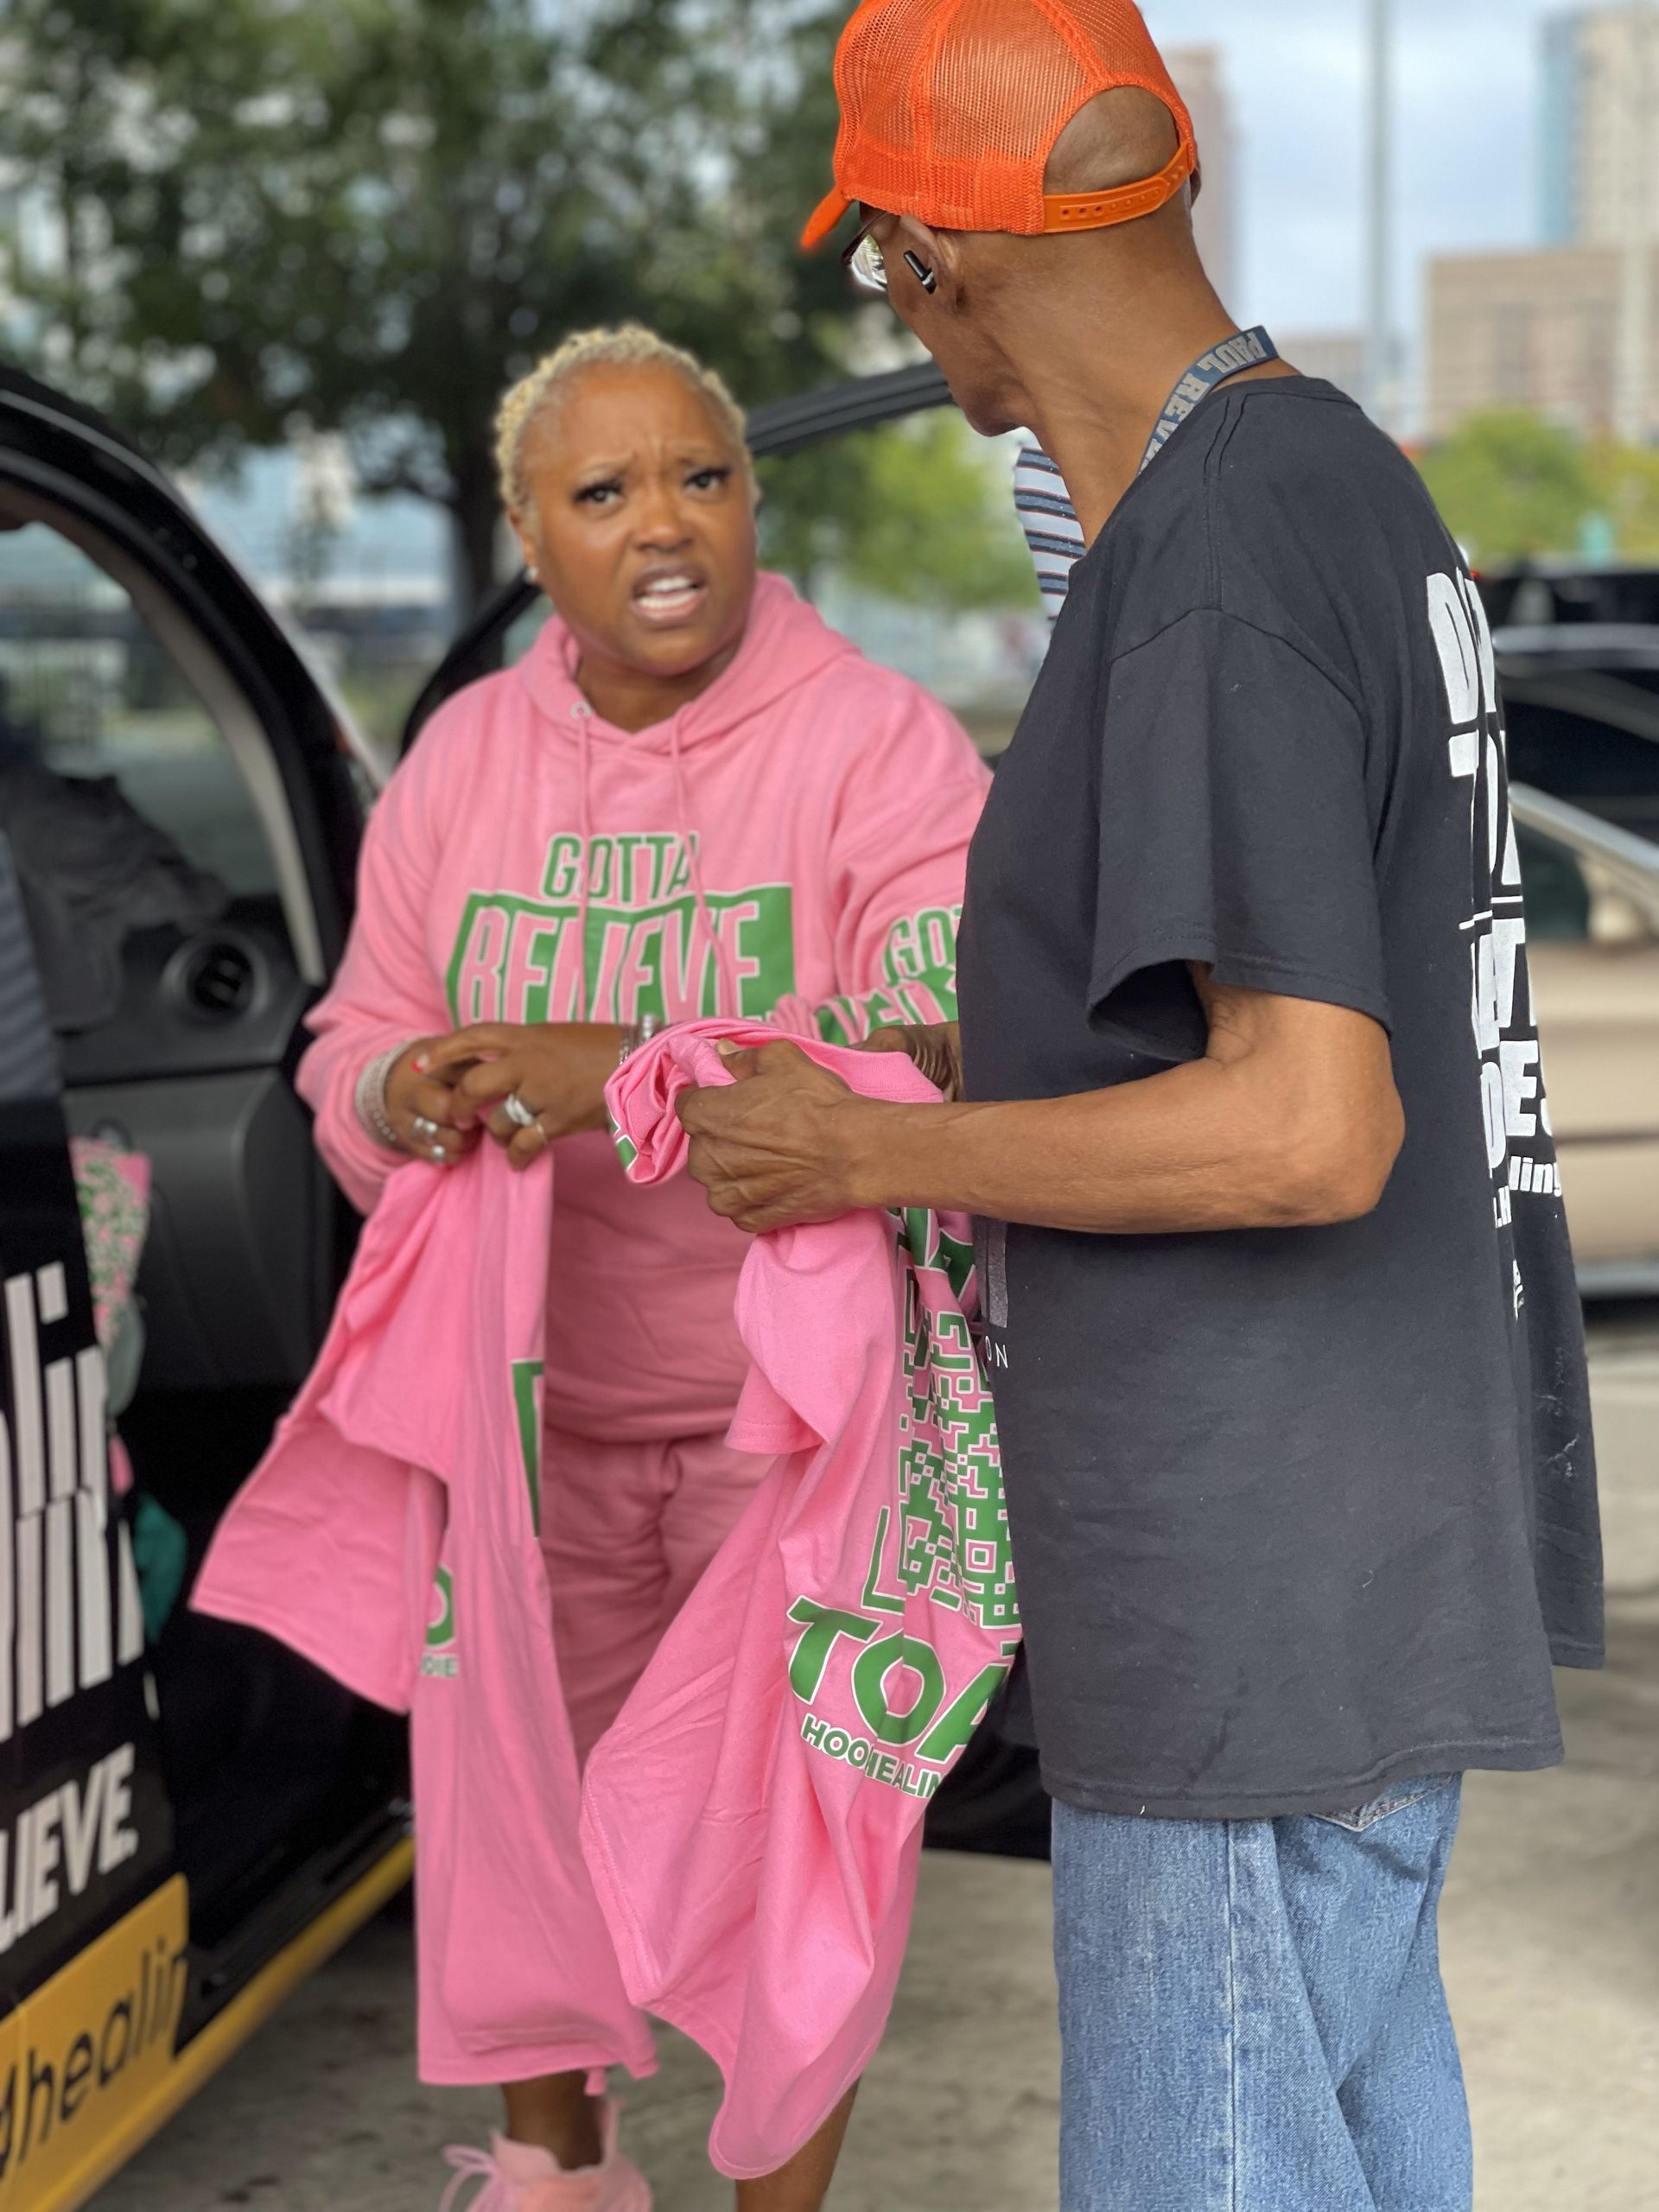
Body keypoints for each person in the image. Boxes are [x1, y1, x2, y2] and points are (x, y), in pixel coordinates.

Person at [676, 6, 1605, 2209]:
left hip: (1236, 1584)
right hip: (1356, 1542)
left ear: (931, 257)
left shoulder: (1203, 563)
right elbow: (1274, 1012)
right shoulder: (1335, 477)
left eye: (880, 269)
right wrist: (966, 1062)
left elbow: (1306, 1123)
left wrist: (867, 1149)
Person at [296, 323, 988, 2212]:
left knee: (797, 1860)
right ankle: (558, 2183)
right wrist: (405, 1083)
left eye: (704, 474)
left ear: (754, 497)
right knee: (516, 1827)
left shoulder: (872, 742)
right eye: (604, 492)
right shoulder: (465, 760)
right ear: (531, 536)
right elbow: (349, 1036)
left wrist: (606, 1072)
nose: (666, 523)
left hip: (794, 1445)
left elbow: (938, 1028)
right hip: (536, 1428)